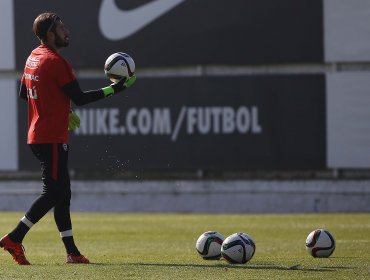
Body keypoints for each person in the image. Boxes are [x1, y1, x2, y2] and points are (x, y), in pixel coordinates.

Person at [0, 12, 136, 265]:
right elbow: (81, 98)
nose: (66, 31)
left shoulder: (33, 56)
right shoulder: (56, 62)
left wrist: (62, 109)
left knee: (63, 194)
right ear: (50, 34)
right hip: (50, 137)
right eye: (61, 28)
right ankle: (15, 238)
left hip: (42, 135)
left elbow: (24, 94)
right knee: (53, 193)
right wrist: (117, 88)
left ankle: (72, 252)